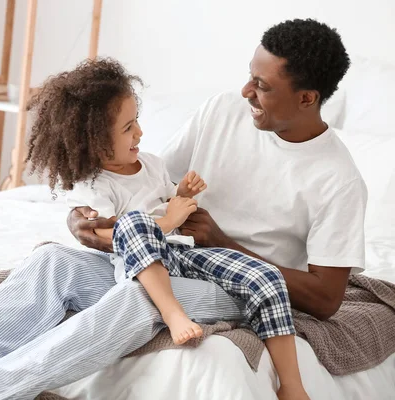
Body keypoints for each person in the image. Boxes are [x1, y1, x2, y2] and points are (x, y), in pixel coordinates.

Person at [0, 18, 365, 400]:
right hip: (168, 258)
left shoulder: (336, 179)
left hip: (237, 287)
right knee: (51, 262)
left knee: (140, 298)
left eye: (261, 86)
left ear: (307, 98)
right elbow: (146, 181)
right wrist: (87, 219)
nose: (245, 90)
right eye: (249, 75)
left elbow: (326, 300)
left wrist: (223, 242)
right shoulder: (223, 112)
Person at [24, 57, 308, 399]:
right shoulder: (94, 186)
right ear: (96, 143)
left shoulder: (152, 164)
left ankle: (292, 386)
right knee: (134, 223)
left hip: (182, 253)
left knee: (266, 275)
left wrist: (182, 195)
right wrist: (168, 220)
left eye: (137, 122)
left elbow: (166, 200)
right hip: (141, 268)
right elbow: (106, 234)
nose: (140, 133)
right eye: (128, 128)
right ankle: (173, 315)